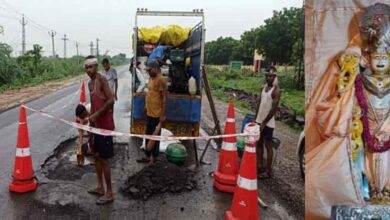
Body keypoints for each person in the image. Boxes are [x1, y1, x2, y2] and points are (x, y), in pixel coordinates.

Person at [84, 55, 115, 205]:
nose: (88, 70)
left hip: (104, 126)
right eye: (86, 67)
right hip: (95, 126)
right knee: (96, 156)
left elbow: (111, 99)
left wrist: (97, 114)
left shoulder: (102, 79)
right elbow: (94, 104)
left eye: (91, 66)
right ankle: (100, 187)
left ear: (96, 66)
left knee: (104, 159)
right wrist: (90, 117)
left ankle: (109, 193)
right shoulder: (90, 84)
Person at [136, 59, 167, 164]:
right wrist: (146, 105)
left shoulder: (161, 80)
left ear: (155, 68)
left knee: (155, 137)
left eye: (149, 70)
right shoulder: (151, 78)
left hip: (157, 114)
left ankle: (154, 158)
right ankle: (147, 155)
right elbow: (150, 93)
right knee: (148, 134)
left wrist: (162, 114)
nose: (148, 72)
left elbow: (164, 98)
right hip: (149, 112)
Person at [254, 66, 280, 179]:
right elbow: (259, 104)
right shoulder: (263, 88)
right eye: (267, 76)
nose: (268, 78)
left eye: (271, 76)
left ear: (274, 77)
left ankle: (268, 171)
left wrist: (264, 122)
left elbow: (273, 109)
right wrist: (256, 119)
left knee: (268, 145)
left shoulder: (276, 90)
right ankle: (259, 165)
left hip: (268, 123)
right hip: (259, 121)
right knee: (258, 143)